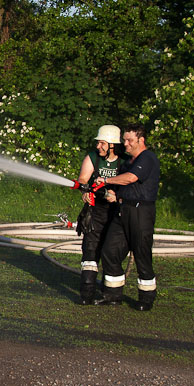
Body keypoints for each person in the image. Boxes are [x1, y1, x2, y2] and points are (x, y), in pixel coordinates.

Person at [94, 123, 160, 311]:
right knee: (110, 250)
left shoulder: (147, 158)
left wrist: (105, 180)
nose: (126, 144)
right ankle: (112, 295)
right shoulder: (128, 162)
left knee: (141, 254)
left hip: (141, 212)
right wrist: (113, 194)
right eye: (124, 140)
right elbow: (124, 184)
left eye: (130, 140)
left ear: (141, 140)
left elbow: (131, 178)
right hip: (122, 210)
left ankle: (146, 298)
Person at [74, 125, 125, 305]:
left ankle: (112, 295)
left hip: (116, 213)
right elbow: (83, 179)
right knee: (90, 249)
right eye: (98, 143)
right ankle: (87, 292)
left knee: (112, 251)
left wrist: (117, 196)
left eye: (102, 143)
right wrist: (85, 191)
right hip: (95, 212)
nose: (98, 146)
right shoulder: (93, 157)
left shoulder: (125, 161)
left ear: (112, 145)